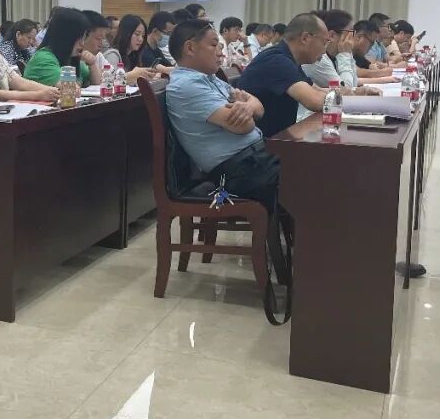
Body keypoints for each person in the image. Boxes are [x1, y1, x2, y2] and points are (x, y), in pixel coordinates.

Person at [165, 19, 285, 259]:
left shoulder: (210, 79)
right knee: (313, 182)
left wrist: (246, 106)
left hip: (256, 159)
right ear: (190, 48)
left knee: (315, 169)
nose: (221, 51)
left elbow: (258, 107)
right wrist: (247, 108)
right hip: (238, 172)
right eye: (213, 45)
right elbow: (244, 126)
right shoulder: (187, 86)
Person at [236, 13, 330, 137]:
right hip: (262, 143)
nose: (324, 50)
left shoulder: (288, 59)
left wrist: (348, 95)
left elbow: (317, 91)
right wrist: (347, 101)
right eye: (324, 42)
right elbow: (315, 101)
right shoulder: (277, 61)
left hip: (278, 137)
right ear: (305, 38)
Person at [25, 8, 97, 87]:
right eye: (79, 38)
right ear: (65, 36)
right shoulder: (43, 59)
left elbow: (99, 83)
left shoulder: (69, 57)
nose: (82, 44)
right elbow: (69, 88)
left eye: (83, 38)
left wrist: (92, 64)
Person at [104, 14, 158, 83]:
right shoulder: (112, 55)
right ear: (126, 33)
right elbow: (109, 82)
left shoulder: (133, 56)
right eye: (137, 34)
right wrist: (134, 74)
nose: (141, 39)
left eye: (143, 36)